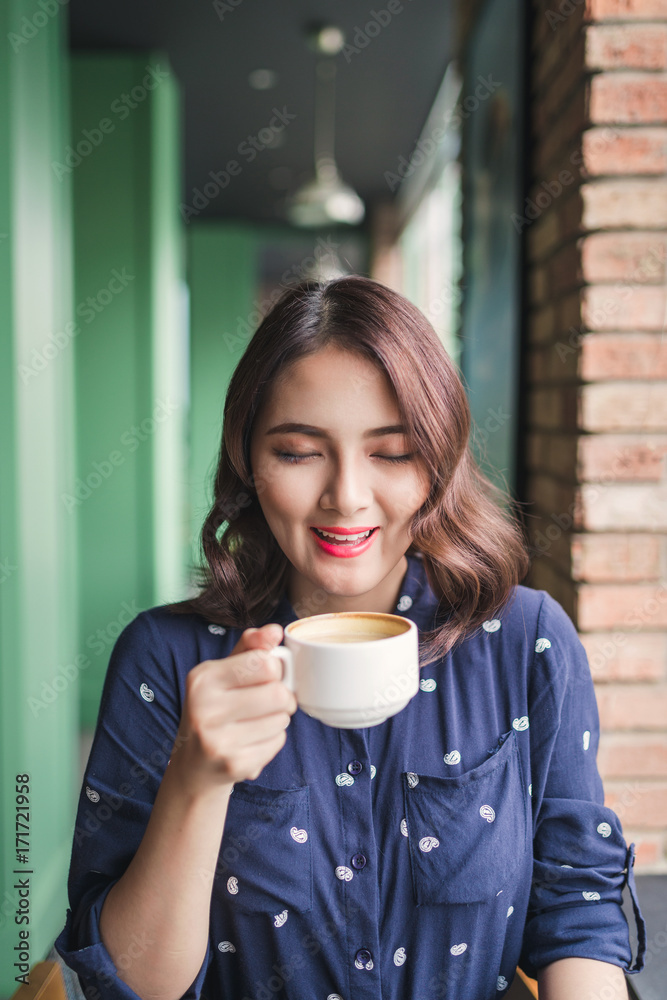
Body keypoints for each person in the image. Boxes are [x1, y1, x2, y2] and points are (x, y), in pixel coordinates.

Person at [55, 275, 645, 1000]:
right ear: (249, 462)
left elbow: (576, 911)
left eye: (391, 452)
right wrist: (196, 780)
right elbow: (131, 984)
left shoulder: (523, 641)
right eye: (300, 452)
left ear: (438, 463)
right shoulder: (165, 657)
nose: (346, 497)